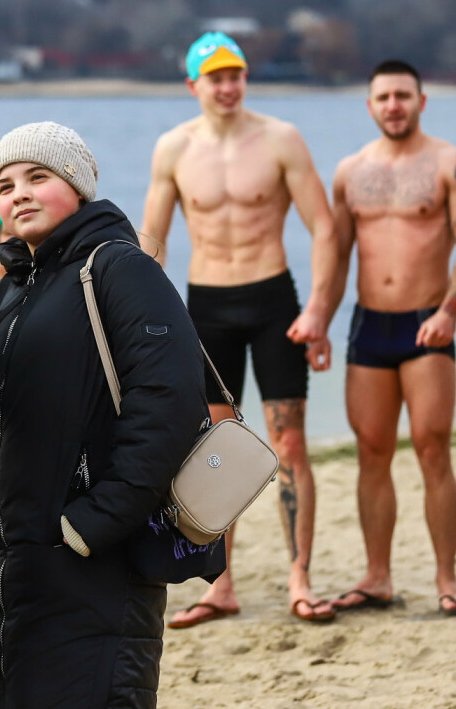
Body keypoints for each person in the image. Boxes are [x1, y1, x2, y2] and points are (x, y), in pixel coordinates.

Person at [0, 121, 207, 709]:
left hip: (83, 553)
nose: (19, 193)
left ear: (78, 184)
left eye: (37, 177)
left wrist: (94, 520)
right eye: (4, 184)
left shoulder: (118, 269)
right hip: (2, 561)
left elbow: (167, 406)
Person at [142, 31, 341, 627]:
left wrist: (320, 311)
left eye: (235, 75)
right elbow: (151, 246)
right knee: (214, 454)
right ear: (193, 85)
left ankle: (299, 576)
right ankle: (220, 584)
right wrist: (149, 323)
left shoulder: (280, 139)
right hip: (205, 311)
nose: (227, 87)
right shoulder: (173, 149)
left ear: (244, 79)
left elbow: (324, 228)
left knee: (292, 445)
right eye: (215, 77)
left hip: (274, 303)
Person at [327, 60, 456, 615]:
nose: (393, 105)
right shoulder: (349, 172)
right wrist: (319, 321)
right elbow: (337, 256)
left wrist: (451, 311)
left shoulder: (453, 164)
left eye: (403, 95)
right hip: (369, 324)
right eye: (383, 97)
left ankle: (447, 579)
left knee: (431, 448)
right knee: (371, 453)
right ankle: (377, 576)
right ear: (369, 106)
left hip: (427, 321)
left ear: (422, 100)